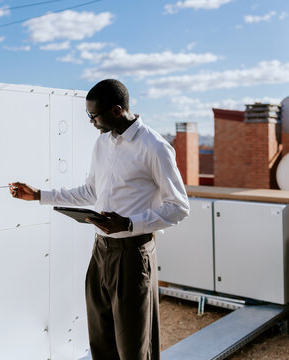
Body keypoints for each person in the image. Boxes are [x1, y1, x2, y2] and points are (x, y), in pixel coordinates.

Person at [10, 79, 189, 360]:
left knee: (133, 347)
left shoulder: (154, 147)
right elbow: (90, 192)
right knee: (101, 342)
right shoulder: (102, 143)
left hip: (133, 255)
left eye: (94, 116)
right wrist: (39, 195)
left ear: (117, 111)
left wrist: (128, 223)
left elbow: (179, 207)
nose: (91, 122)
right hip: (100, 252)